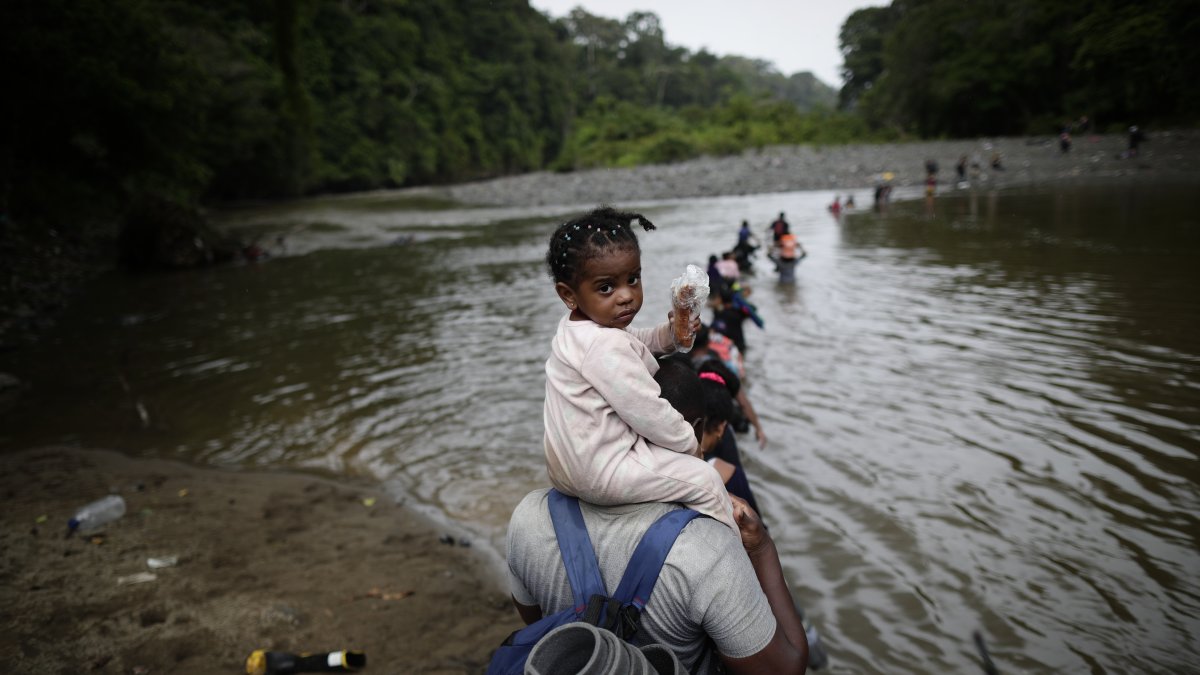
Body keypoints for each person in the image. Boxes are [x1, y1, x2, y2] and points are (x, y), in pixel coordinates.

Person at [505, 360, 811, 674]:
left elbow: (538, 625)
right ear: (696, 430)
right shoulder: (708, 548)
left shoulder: (530, 517)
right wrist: (761, 547)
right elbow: (786, 669)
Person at [543, 207, 735, 528]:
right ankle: (734, 547)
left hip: (565, 466)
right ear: (568, 294)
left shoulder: (578, 330)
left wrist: (673, 334)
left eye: (633, 279)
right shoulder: (605, 345)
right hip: (600, 472)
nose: (626, 296)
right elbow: (649, 411)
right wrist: (692, 447)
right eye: (606, 287)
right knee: (707, 482)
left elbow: (637, 341)